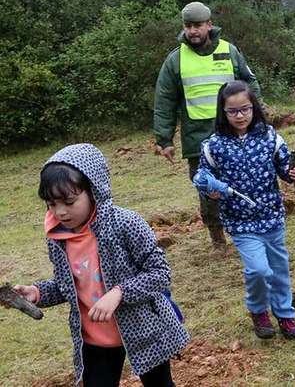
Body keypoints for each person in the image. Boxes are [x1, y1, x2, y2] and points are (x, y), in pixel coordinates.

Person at [10, 143, 189, 386]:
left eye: (69, 202)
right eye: (52, 204)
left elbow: (159, 273)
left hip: (146, 330)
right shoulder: (58, 237)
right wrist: (37, 292)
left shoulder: (125, 224)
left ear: (93, 190)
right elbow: (70, 285)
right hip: (94, 337)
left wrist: (118, 293)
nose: (60, 212)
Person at [195, 81, 295, 340]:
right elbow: (203, 176)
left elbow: (284, 168)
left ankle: (285, 315)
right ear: (223, 112)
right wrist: (209, 190)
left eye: (245, 109)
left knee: (278, 269)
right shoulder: (213, 146)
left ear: (254, 107)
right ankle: (258, 310)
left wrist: (291, 173)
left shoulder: (270, 136)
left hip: (272, 216)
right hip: (240, 222)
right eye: (233, 111)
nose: (240, 115)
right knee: (258, 270)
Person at [153, 1, 261, 250]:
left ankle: (246, 232)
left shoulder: (229, 51)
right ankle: (218, 239)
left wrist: (258, 117)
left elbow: (250, 84)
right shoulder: (175, 60)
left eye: (198, 25)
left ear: (209, 25)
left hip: (233, 132)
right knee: (207, 188)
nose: (193, 31)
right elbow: (164, 100)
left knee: (242, 181)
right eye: (188, 26)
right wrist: (164, 139)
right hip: (197, 138)